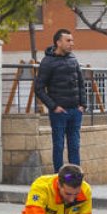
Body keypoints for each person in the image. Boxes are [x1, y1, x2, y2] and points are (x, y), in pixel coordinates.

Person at [34, 29, 86, 171]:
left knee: (74, 146)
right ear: (58, 42)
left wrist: (83, 105)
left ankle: (75, 178)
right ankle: (60, 177)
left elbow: (81, 83)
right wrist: (54, 107)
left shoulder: (73, 59)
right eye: (68, 40)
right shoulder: (48, 61)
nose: (71, 43)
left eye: (72, 40)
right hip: (59, 112)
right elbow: (38, 88)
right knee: (58, 145)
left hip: (75, 111)